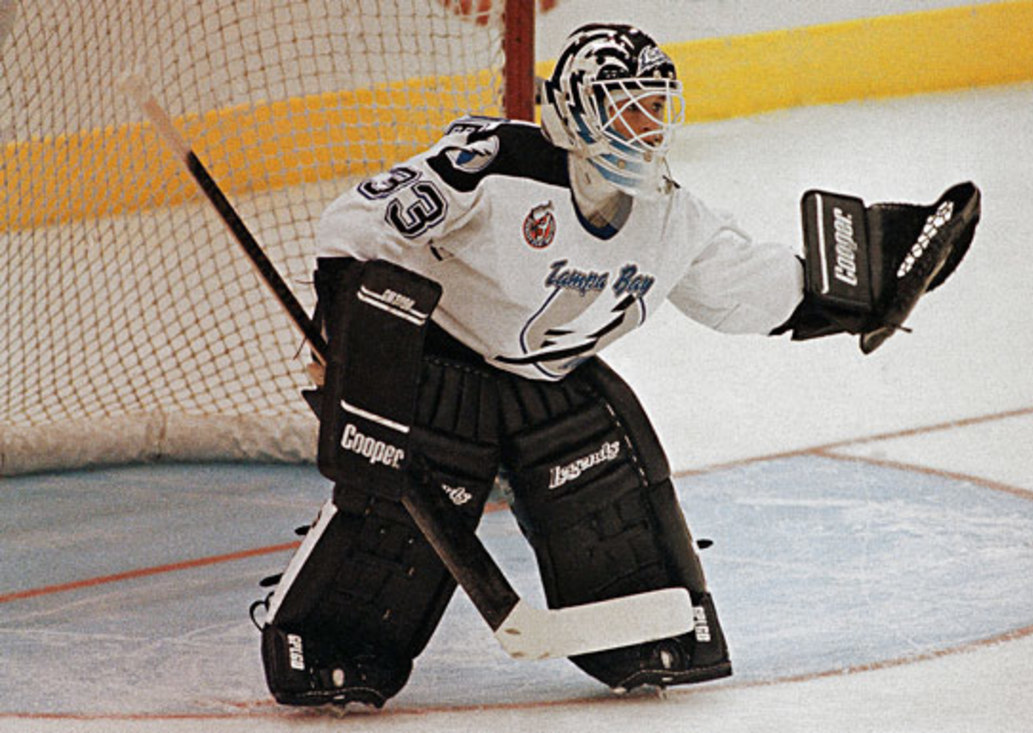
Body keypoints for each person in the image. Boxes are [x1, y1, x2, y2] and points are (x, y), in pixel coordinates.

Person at [252, 22, 979, 709]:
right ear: (572, 116)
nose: (645, 129)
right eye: (624, 111)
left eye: (655, 109)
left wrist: (861, 282)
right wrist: (359, 340)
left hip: (550, 387)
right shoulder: (495, 168)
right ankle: (327, 635)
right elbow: (358, 225)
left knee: (612, 484)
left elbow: (746, 290)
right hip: (442, 374)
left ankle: (646, 637)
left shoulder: (671, 217)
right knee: (391, 533)